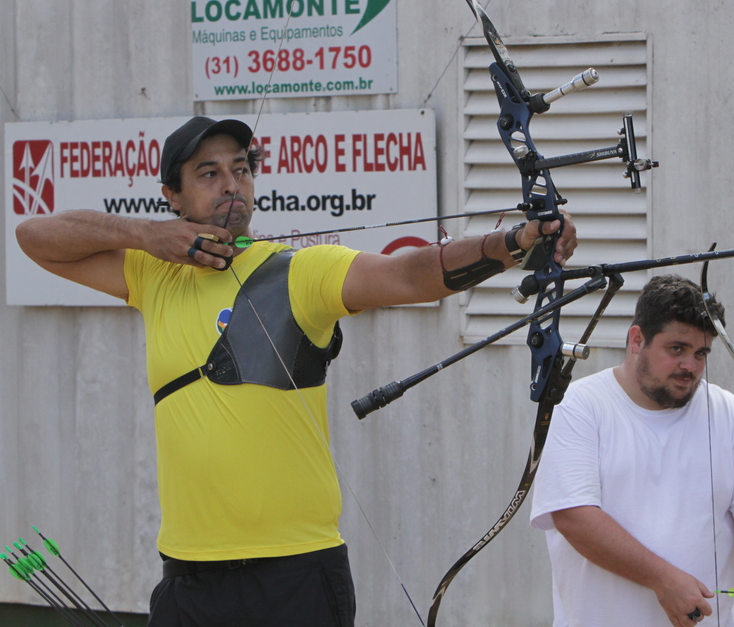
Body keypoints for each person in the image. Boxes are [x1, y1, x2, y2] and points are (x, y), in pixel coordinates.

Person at [16, 115, 577, 627]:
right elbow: (33, 237)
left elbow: (410, 275)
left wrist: (514, 244)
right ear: (173, 195)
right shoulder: (153, 276)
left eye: (240, 169)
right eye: (208, 173)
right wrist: (145, 235)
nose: (231, 184)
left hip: (293, 576)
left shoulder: (298, 272)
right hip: (188, 575)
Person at [529, 274, 734, 627]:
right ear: (637, 339)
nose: (690, 366)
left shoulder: (730, 414)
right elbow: (574, 517)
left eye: (701, 353)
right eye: (676, 349)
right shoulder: (581, 406)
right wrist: (662, 579)